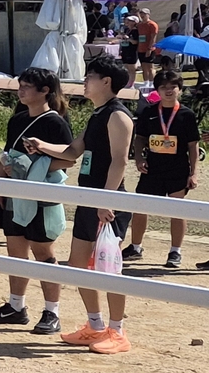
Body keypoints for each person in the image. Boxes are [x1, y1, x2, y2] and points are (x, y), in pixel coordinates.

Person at [23, 56, 137, 352]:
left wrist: (106, 199)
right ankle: (95, 325)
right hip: (90, 199)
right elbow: (74, 151)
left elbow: (120, 161)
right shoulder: (97, 114)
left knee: (109, 270)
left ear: (106, 82)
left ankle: (117, 331)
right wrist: (42, 145)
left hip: (108, 202)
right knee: (78, 265)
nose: (85, 81)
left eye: (90, 76)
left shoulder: (118, 116)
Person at [0, 67, 71, 334]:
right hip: (14, 192)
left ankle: (52, 311)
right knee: (15, 250)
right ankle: (15, 306)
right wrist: (0, 186)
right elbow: (6, 154)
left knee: (44, 252)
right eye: (21, 84)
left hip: (41, 193)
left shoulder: (56, 122)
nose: (22, 90)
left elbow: (68, 160)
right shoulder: (17, 119)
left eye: (28, 86)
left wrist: (32, 163)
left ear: (45, 91)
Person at [127, 66, 199, 269]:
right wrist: (139, 160)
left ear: (180, 89)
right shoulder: (148, 112)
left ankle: (175, 251)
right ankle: (135, 247)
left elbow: (193, 146)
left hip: (177, 169)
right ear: (156, 90)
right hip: (152, 168)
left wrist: (194, 173)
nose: (169, 90)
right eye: (164, 87)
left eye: (173, 86)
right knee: (140, 207)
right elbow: (140, 139)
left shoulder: (187, 115)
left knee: (177, 210)